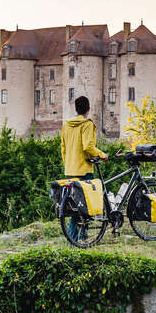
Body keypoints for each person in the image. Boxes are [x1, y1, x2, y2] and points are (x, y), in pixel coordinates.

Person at [60, 95, 107, 241]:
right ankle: (76, 238)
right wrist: (102, 155)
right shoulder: (87, 124)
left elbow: (63, 148)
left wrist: (68, 163)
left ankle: (80, 236)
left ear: (75, 108)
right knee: (85, 206)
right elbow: (88, 146)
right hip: (84, 169)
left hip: (70, 169)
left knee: (75, 206)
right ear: (88, 109)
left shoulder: (66, 125)